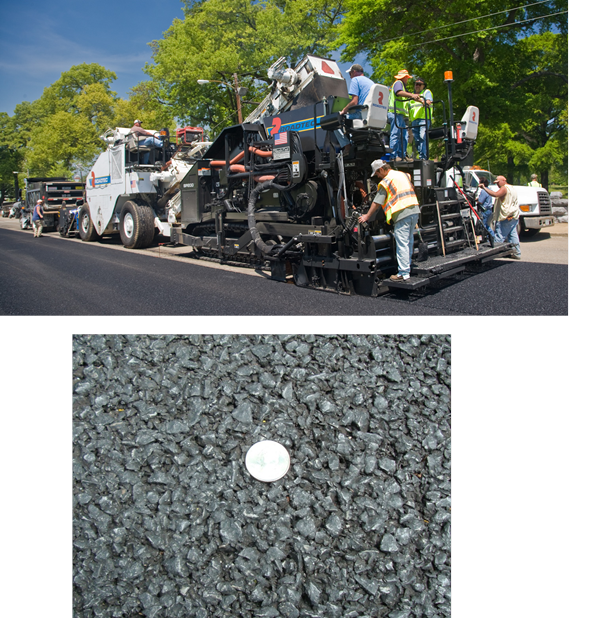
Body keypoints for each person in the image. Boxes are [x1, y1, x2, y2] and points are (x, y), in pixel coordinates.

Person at [358, 159, 421, 280]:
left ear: (381, 169)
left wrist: (367, 216)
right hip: (414, 210)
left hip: (402, 212)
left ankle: (403, 273)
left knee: (402, 243)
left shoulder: (386, 181)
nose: (377, 176)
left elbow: (377, 202)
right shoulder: (403, 174)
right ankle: (408, 265)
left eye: (377, 173)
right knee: (409, 241)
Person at [480, 175, 521, 259]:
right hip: (513, 215)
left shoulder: (504, 188)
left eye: (498, 182)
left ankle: (494, 254)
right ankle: (517, 252)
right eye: (496, 183)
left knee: (499, 235)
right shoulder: (512, 188)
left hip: (506, 216)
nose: (497, 185)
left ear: (503, 180)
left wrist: (484, 188)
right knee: (513, 235)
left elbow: (495, 194)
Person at [388, 70, 420, 161]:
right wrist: (411, 95)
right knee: (396, 134)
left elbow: (410, 97)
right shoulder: (399, 83)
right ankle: (394, 156)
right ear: (405, 77)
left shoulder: (403, 87)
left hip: (400, 115)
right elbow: (398, 92)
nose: (407, 80)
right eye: (407, 78)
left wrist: (421, 101)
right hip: (395, 113)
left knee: (404, 136)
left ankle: (401, 155)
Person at [407, 77, 433, 160]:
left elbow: (428, 102)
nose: (417, 86)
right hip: (414, 120)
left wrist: (419, 100)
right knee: (417, 140)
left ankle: (423, 158)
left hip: (423, 119)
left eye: (419, 84)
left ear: (423, 86)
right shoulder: (412, 95)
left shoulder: (426, 92)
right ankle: (420, 156)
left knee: (422, 137)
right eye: (416, 84)